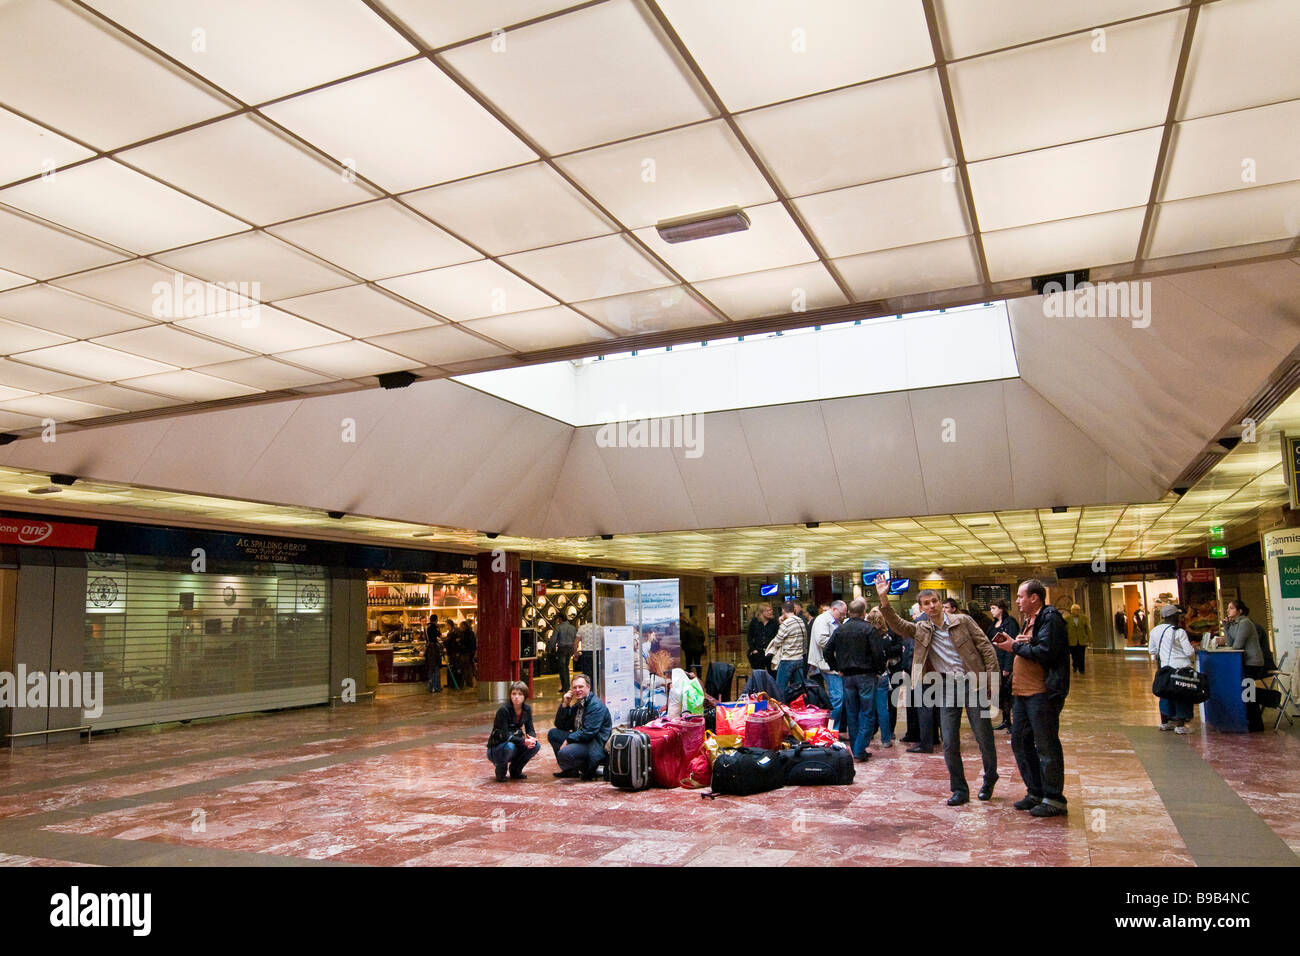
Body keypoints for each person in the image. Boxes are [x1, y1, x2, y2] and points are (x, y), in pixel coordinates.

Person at [876, 574, 999, 806]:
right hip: (946, 687)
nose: (932, 606)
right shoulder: (921, 628)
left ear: (941, 602)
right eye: (926, 603)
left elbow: (986, 648)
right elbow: (898, 625)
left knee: (984, 736)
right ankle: (959, 789)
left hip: (974, 683)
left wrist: (991, 681)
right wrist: (884, 600)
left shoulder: (962, 621)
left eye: (934, 601)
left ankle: (990, 777)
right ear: (921, 607)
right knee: (950, 741)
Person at [993, 579, 1070, 818]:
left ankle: (1054, 798)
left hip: (1041, 693)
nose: (1016, 601)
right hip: (1023, 693)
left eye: (1020, 596)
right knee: (1021, 742)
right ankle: (1036, 791)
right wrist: (1016, 645)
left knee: (1046, 745)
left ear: (1034, 597)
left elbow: (1045, 652)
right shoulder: (1029, 620)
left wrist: (1013, 647)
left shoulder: (1050, 618)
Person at [824, 599, 887, 761]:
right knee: (867, 713)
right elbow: (877, 653)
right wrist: (879, 669)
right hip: (866, 675)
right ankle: (859, 748)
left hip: (847, 676)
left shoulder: (840, 630)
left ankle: (856, 747)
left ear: (849, 612)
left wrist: (837, 667)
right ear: (864, 612)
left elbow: (827, 651)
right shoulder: (869, 629)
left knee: (852, 713)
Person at [547, 674, 611, 780]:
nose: (577, 690)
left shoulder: (595, 705)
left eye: (581, 687)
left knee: (564, 752)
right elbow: (561, 725)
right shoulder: (579, 704)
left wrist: (568, 739)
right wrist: (565, 704)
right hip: (581, 740)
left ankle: (588, 767)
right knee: (553, 734)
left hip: (594, 743)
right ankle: (570, 770)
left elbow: (588, 732)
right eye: (575, 687)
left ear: (588, 687)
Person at [1218, 599, 1266, 731]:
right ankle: (1250, 720)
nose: (1228, 610)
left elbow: (1237, 645)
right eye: (1228, 608)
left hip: (1252, 663)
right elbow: (1230, 643)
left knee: (1248, 691)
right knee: (1246, 690)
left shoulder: (1245, 623)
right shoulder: (1234, 624)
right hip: (1243, 662)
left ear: (1240, 611)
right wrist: (1226, 627)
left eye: (1231, 608)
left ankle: (1255, 723)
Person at [1148, 606, 1196, 734]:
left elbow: (1152, 651)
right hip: (1181, 668)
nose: (1180, 617)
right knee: (1182, 695)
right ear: (1173, 616)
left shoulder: (1154, 631)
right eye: (1178, 615)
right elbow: (1189, 652)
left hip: (1165, 668)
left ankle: (1165, 723)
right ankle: (1180, 726)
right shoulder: (1179, 631)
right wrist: (1194, 648)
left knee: (1165, 694)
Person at [807, 600, 847, 731]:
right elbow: (822, 640)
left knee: (838, 698)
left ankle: (833, 728)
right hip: (827, 665)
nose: (843, 616)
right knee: (838, 698)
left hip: (831, 663)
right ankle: (831, 729)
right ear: (834, 609)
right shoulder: (822, 620)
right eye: (842, 613)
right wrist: (842, 645)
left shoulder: (834, 621)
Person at [487, 681, 539, 780]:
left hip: (515, 742)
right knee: (509, 746)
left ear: (525, 696)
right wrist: (524, 741)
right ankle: (501, 771)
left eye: (520, 694)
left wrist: (532, 738)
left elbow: (530, 729)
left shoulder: (527, 709)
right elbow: (505, 736)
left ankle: (515, 770)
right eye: (513, 694)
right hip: (498, 747)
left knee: (536, 745)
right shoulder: (504, 710)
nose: (516, 697)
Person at [766, 602, 807, 701]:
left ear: (783, 610)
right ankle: (798, 707)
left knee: (780, 688)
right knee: (798, 688)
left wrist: (781, 624)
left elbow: (777, 641)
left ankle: (783, 710)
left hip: (787, 659)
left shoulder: (786, 624)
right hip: (799, 658)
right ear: (794, 610)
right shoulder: (800, 621)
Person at [988, 599, 1019, 731]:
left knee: (1008, 694)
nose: (991, 611)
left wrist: (1008, 667)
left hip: (1005, 662)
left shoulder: (1010, 623)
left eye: (993, 608)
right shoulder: (994, 624)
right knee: (1000, 694)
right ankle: (1005, 719)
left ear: (1001, 609)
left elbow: (1011, 646)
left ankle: (1012, 722)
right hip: (996, 662)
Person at [747, 604, 777, 674]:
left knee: (772, 673)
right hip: (758, 652)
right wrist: (753, 650)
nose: (770, 612)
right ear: (761, 612)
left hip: (771, 652)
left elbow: (778, 637)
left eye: (771, 610)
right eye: (768, 611)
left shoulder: (774, 622)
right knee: (759, 674)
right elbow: (749, 637)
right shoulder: (754, 622)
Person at [553, 617, 577, 693]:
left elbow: (554, 639)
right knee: (565, 667)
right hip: (570, 649)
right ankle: (567, 686)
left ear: (560, 619)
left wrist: (551, 647)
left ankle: (565, 687)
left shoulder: (558, 627)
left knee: (562, 668)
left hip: (562, 649)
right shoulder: (573, 628)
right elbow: (575, 638)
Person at [1065, 604, 1091, 675]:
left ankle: (1081, 669)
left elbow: (1088, 629)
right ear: (1072, 610)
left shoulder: (1084, 618)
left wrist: (1090, 639)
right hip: (1072, 641)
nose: (1077, 611)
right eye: (1075, 609)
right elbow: (1065, 630)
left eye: (1078, 609)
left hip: (1081, 640)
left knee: (1081, 655)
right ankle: (1075, 666)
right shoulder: (1067, 619)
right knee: (1074, 655)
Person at [424, 618, 443, 694]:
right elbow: (439, 635)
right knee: (436, 667)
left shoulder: (426, 627)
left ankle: (430, 686)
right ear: (436, 620)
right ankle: (436, 686)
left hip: (428, 648)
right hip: (434, 649)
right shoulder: (435, 626)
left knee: (431, 668)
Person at [459, 619, 477, 688]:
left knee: (467, 668)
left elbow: (466, 643)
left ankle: (469, 683)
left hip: (466, 653)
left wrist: (459, 641)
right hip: (470, 652)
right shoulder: (470, 633)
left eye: (461, 626)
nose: (460, 628)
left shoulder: (466, 634)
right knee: (470, 667)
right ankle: (470, 682)